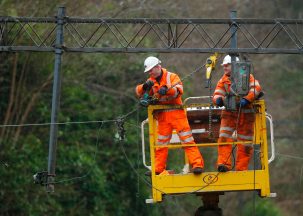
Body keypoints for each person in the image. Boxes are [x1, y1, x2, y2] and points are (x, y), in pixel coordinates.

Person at [136, 56, 204, 175]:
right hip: (163, 116)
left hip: (177, 113)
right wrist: (144, 87)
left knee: (187, 140)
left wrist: (167, 89)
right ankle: (158, 168)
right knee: (161, 144)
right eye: (149, 71)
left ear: (158, 67)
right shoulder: (151, 81)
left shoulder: (171, 77)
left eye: (151, 70)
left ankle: (197, 164)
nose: (150, 73)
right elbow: (138, 92)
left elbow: (179, 90)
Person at [213, 55, 262, 172]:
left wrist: (248, 99)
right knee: (224, 138)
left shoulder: (247, 77)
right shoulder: (223, 80)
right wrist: (218, 99)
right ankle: (223, 164)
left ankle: (241, 168)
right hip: (229, 113)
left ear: (235, 66)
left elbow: (256, 88)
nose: (224, 68)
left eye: (227, 65)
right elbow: (217, 93)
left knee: (245, 143)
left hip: (246, 113)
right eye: (224, 66)